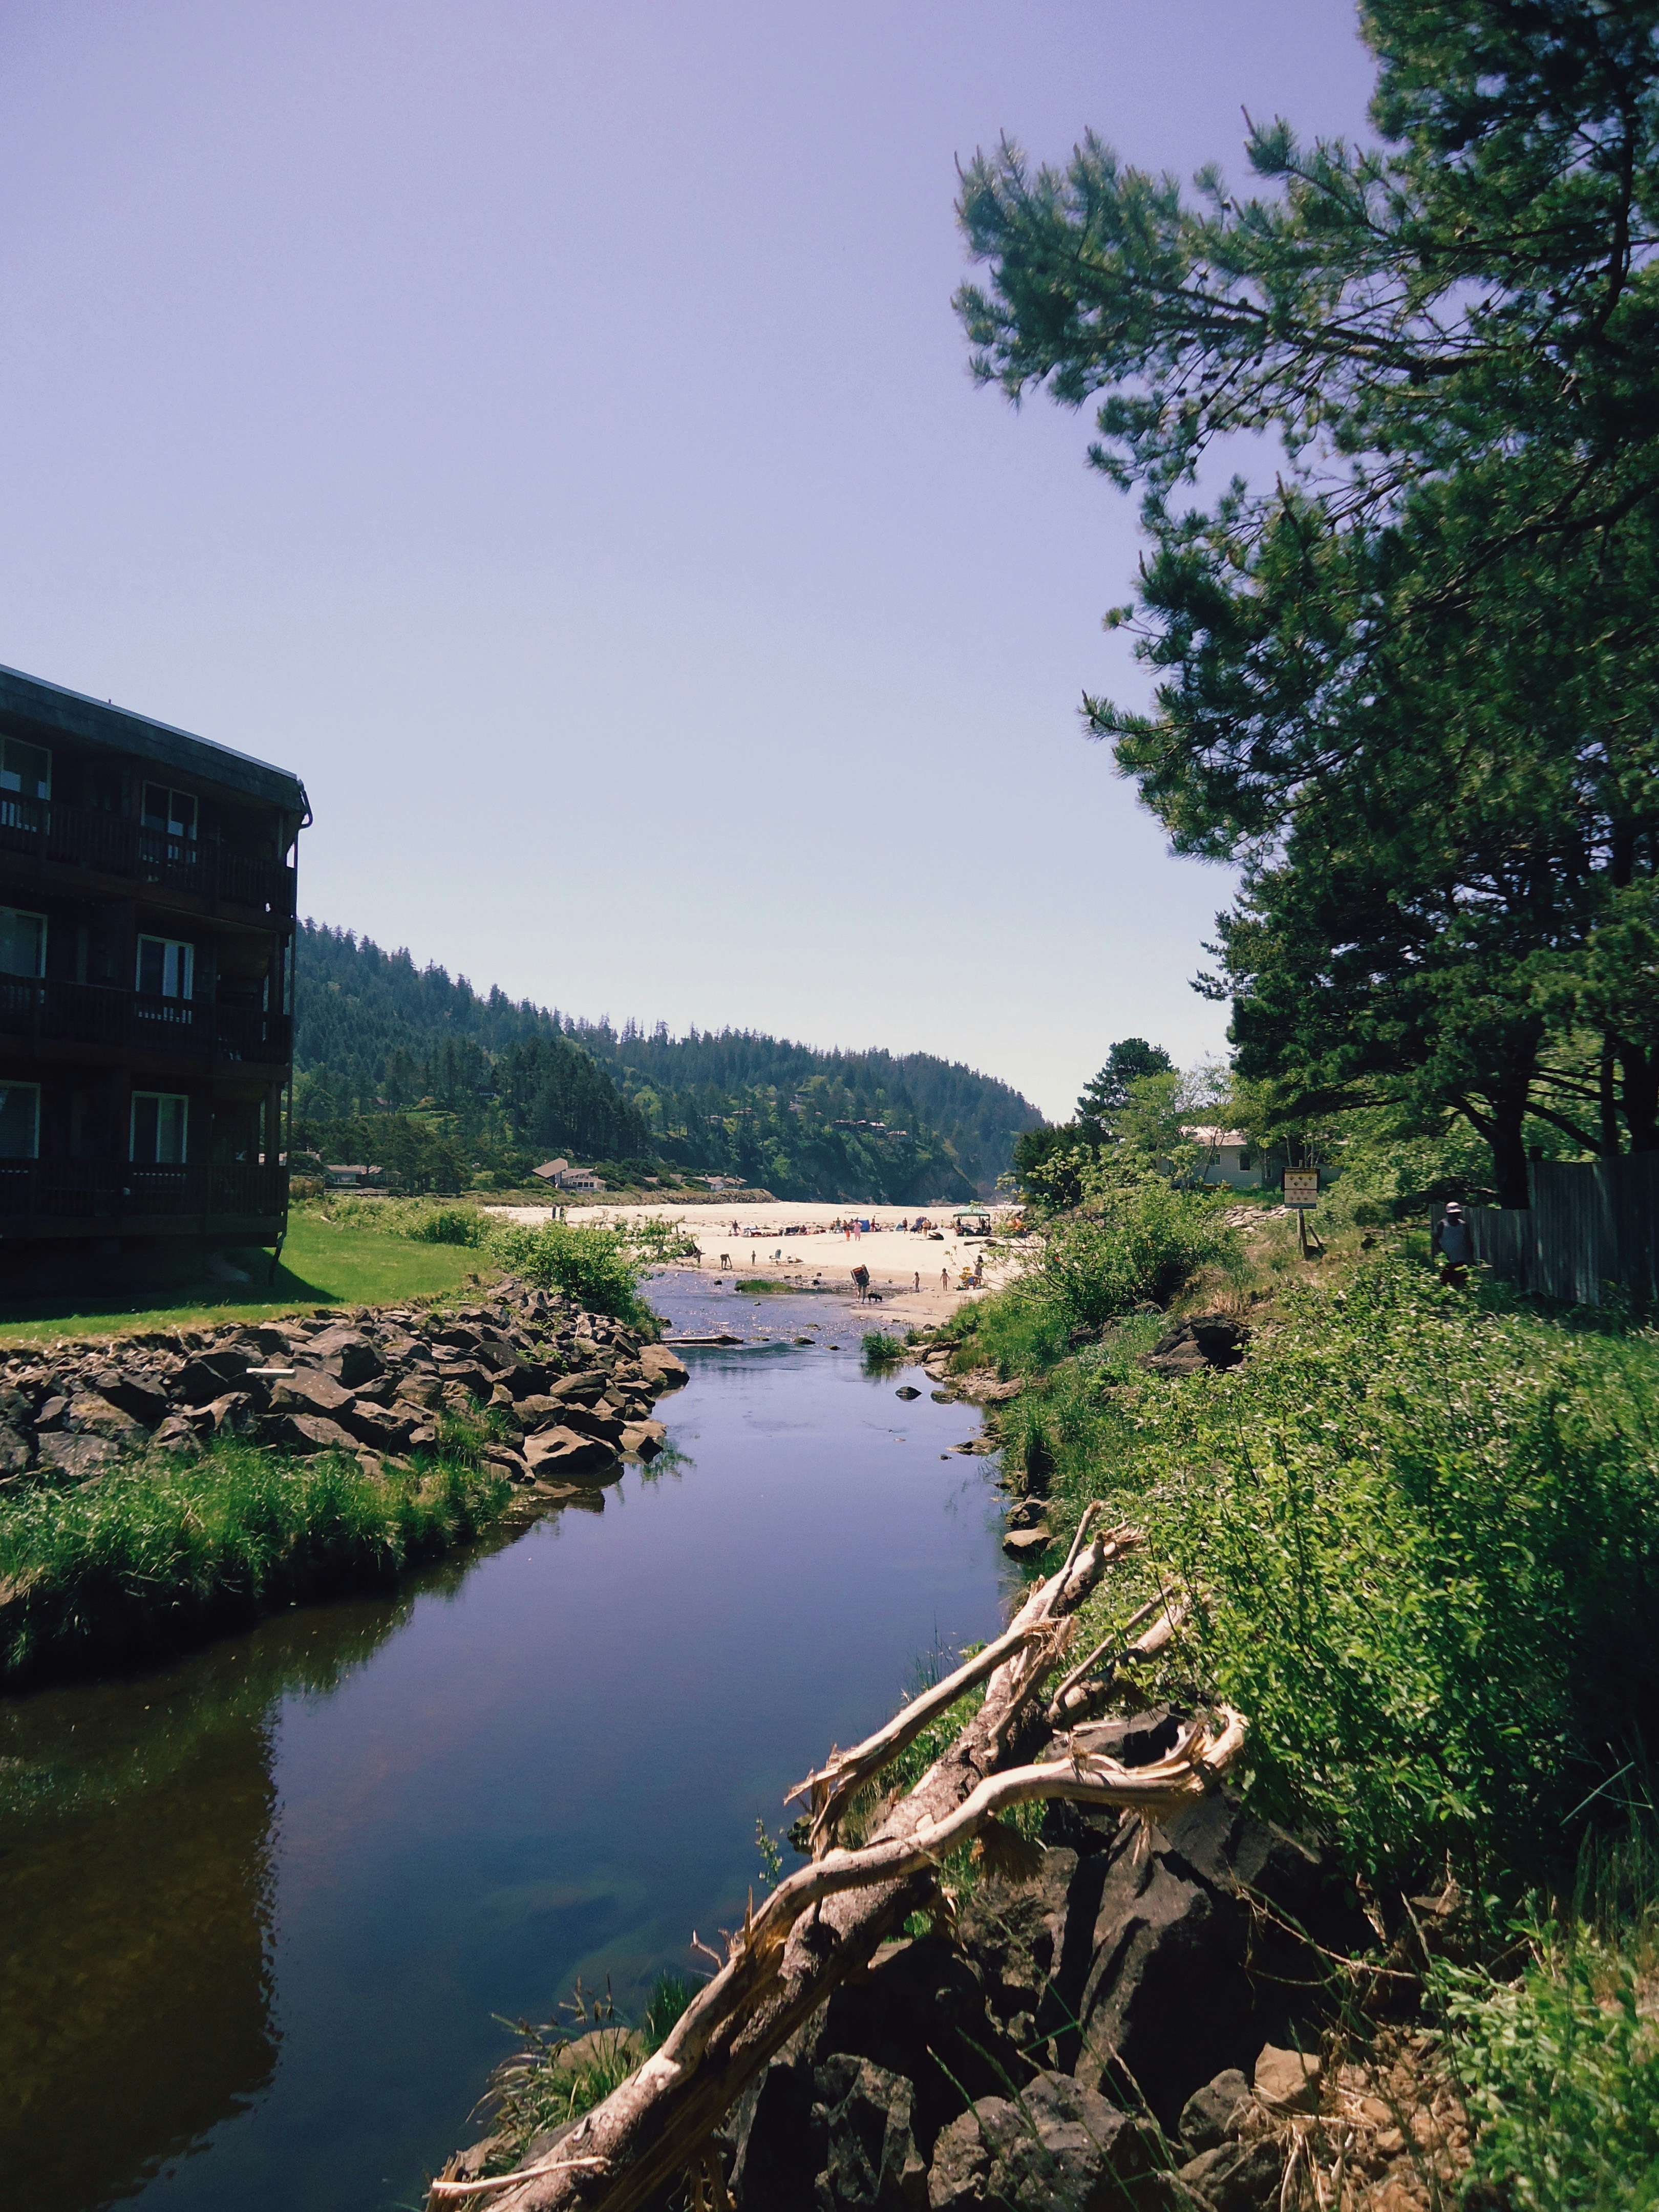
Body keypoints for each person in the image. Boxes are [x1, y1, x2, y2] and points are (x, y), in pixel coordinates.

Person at [1432, 1200, 1473, 1287]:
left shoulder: (1464, 1225)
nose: (1454, 1216)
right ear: (1448, 1214)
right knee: (1445, 1283)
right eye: (1452, 1214)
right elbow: (1435, 1240)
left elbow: (1468, 1241)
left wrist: (1471, 1257)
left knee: (1462, 1282)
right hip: (1447, 1259)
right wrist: (1442, 1254)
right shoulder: (1443, 1225)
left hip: (1461, 1259)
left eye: (1457, 1213)